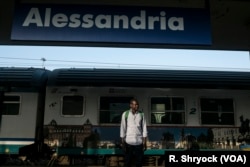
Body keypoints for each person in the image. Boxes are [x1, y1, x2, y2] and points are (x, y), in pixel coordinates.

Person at [120, 98, 147, 167]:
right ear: (130, 105)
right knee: (127, 162)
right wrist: (123, 143)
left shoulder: (141, 114)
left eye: (137, 104)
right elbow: (122, 128)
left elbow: (144, 128)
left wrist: (144, 143)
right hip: (128, 142)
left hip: (139, 142)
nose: (136, 106)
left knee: (139, 162)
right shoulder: (125, 114)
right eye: (134, 104)